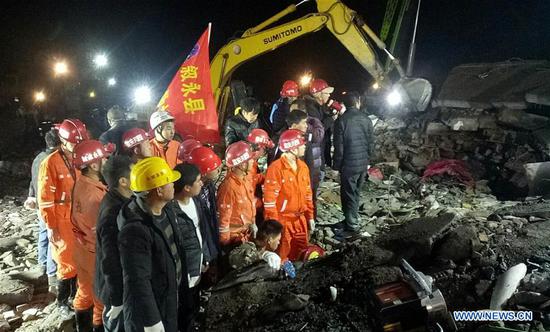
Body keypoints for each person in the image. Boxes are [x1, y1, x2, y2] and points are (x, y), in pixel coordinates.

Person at [117, 157, 183, 332]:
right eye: (170, 181)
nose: (174, 184)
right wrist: (151, 321)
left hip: (168, 298)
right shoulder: (135, 230)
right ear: (159, 190)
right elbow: (137, 280)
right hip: (154, 309)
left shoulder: (165, 209)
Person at [38, 119, 89, 313]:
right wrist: (51, 226)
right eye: (75, 142)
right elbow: (45, 198)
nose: (78, 146)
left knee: (82, 256)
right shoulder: (50, 162)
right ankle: (62, 301)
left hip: (81, 214)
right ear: (62, 140)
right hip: (61, 217)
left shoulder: (81, 157)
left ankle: (79, 295)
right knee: (66, 258)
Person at [71, 140, 112, 331]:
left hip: (82, 250)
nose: (106, 159)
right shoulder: (95, 197)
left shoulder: (81, 184)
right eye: (103, 157)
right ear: (94, 165)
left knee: (85, 292)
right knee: (102, 300)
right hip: (95, 254)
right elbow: (102, 233)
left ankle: (81, 327)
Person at [263, 129, 315, 262]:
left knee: (302, 255)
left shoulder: (303, 167)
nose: (304, 146)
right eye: (302, 144)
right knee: (282, 257)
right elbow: (269, 202)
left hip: (300, 220)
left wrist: (310, 217)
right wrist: (274, 229)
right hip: (283, 221)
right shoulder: (276, 169)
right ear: (292, 148)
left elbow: (308, 195)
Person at [95, 155, 133, 332]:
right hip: (115, 290)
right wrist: (116, 299)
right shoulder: (113, 211)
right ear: (123, 181)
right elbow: (109, 258)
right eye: (135, 172)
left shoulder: (119, 199)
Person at [171, 163, 208, 332]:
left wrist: (205, 256)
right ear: (186, 187)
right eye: (198, 181)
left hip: (197, 264)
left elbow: (202, 232)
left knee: (194, 302)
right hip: (183, 273)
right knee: (184, 310)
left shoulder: (196, 202)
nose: (202, 183)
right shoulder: (171, 212)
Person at [333, 91, 374, 238]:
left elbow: (339, 147)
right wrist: (369, 161)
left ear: (344, 104)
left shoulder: (341, 121)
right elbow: (371, 142)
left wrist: (336, 167)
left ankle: (351, 226)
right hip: (362, 164)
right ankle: (351, 219)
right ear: (357, 102)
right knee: (356, 193)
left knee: (348, 194)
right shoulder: (366, 119)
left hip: (349, 165)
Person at [24, 129, 59, 291]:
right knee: (54, 237)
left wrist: (31, 196)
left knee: (44, 233)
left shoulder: (38, 158)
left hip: (39, 203)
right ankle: (53, 276)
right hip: (50, 204)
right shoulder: (53, 160)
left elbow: (33, 179)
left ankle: (42, 264)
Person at [217, 142, 258, 249]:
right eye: (250, 160)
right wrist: (225, 243)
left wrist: (253, 222)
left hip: (245, 234)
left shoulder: (245, 179)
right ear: (242, 164)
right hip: (233, 239)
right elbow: (223, 217)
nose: (252, 161)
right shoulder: (228, 187)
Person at [187, 147, 223, 266]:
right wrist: (206, 257)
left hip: (212, 243)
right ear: (204, 172)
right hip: (203, 254)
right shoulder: (191, 196)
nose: (218, 169)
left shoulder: (209, 185)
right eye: (214, 167)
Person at [285, 109, 324, 212]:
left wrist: (308, 185)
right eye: (303, 123)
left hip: (307, 182)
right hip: (290, 186)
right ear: (294, 125)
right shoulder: (283, 141)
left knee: (310, 203)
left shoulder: (307, 140)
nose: (307, 126)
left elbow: (310, 165)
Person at [306, 79, 343, 167]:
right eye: (326, 93)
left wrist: (330, 112)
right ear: (319, 95)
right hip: (314, 150)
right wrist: (332, 118)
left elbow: (322, 120)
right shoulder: (311, 109)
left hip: (320, 148)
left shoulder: (319, 106)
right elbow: (318, 129)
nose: (329, 95)